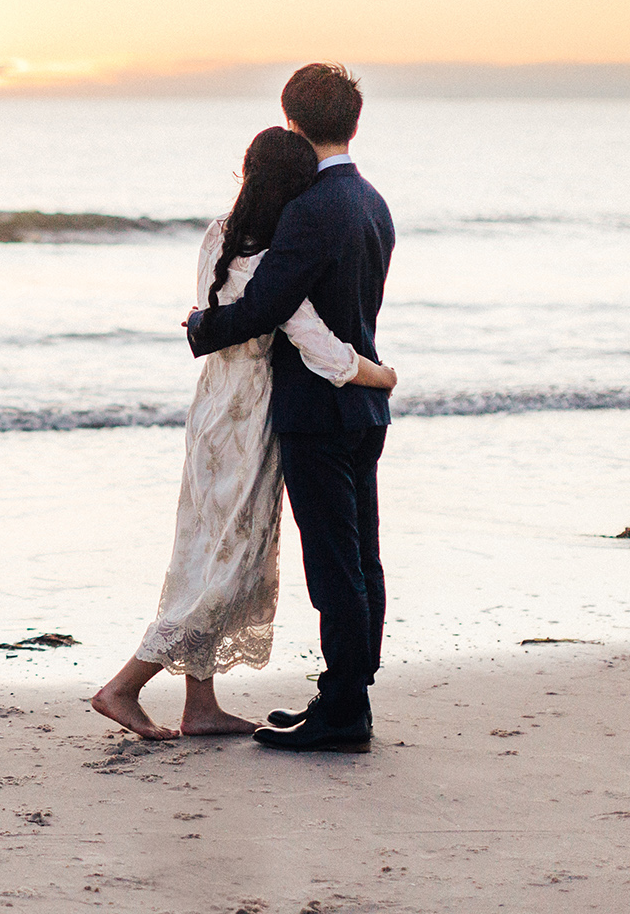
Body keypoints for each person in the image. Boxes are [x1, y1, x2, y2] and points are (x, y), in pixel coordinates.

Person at [92, 125, 397, 740]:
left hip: (211, 406)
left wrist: (203, 324)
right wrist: (382, 377)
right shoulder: (269, 255)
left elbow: (218, 311)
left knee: (202, 549)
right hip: (253, 414)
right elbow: (321, 349)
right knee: (230, 561)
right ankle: (124, 686)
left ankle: (199, 706)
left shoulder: (219, 234)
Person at [187, 63, 396, 751]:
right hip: (360, 413)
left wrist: (200, 328)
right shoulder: (370, 201)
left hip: (318, 410)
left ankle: (343, 712)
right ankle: (344, 696)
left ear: (290, 122)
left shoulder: (310, 209)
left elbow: (267, 308)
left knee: (334, 567)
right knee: (360, 560)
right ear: (352, 122)